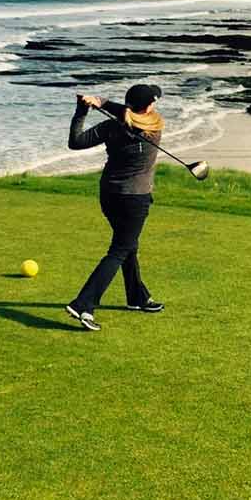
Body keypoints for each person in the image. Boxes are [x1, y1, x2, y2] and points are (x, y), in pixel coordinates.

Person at [64, 83, 167, 331]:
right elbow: (132, 115)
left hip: (109, 195)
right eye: (153, 101)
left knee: (128, 245)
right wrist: (104, 103)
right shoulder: (155, 129)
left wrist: (84, 110)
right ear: (149, 106)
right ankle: (83, 303)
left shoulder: (112, 127)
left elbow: (75, 142)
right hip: (135, 199)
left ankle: (137, 297)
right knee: (120, 249)